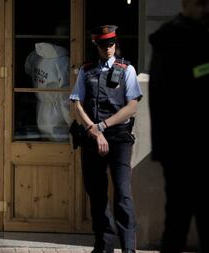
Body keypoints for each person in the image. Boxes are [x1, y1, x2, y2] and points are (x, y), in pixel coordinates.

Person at [148, 0, 209, 252]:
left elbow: (207, 92)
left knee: (188, 229)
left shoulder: (189, 40)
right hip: (192, 155)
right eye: (201, 4)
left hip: (197, 153)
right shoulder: (179, 42)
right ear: (185, 4)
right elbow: (192, 100)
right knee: (191, 231)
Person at [69, 25, 142, 253]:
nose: (108, 49)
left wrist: (103, 126)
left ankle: (128, 248)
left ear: (115, 44)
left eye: (111, 44)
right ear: (97, 46)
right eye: (103, 45)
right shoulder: (87, 70)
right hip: (92, 137)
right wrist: (94, 130)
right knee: (97, 194)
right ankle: (104, 246)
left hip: (118, 137)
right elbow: (76, 103)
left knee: (122, 193)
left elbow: (132, 107)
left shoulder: (126, 69)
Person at [25, 42, 71, 141]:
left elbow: (28, 69)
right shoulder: (63, 61)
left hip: (41, 110)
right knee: (59, 151)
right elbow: (65, 94)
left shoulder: (36, 55)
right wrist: (71, 120)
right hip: (57, 113)